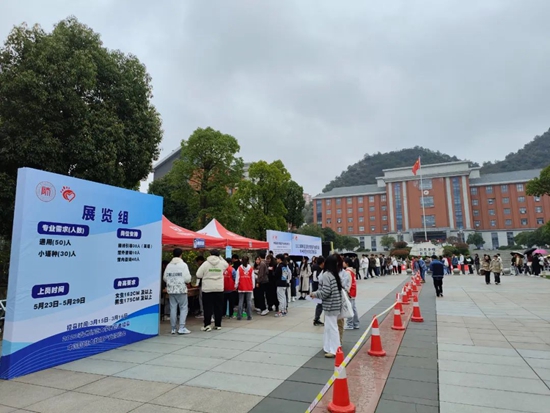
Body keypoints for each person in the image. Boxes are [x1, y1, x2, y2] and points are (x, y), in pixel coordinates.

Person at [311, 254, 343, 358]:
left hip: (330, 305)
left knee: (332, 328)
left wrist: (315, 294)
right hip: (335, 304)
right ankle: (329, 347)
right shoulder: (334, 274)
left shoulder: (326, 275)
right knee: (330, 327)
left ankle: (334, 350)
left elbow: (326, 291)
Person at [196, 249, 228, 331]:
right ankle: (218, 324)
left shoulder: (205, 264)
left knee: (207, 308)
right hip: (219, 288)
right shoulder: (221, 263)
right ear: (218, 255)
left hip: (207, 288)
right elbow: (227, 265)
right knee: (218, 307)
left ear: (210, 254)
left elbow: (198, 274)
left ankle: (207, 325)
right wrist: (220, 257)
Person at [163, 248, 192, 335]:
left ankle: (173, 328)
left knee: (173, 308)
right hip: (181, 289)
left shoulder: (169, 265)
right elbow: (187, 279)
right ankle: (181, 327)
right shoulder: (183, 265)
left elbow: (165, 278)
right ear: (181, 255)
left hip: (171, 290)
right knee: (183, 308)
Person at [343, 258, 359, 330]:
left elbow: (348, 283)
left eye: (343, 262)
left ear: (347, 263)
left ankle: (350, 324)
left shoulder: (347, 271)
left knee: (350, 308)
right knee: (353, 308)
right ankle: (356, 323)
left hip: (350, 292)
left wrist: (347, 290)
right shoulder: (352, 271)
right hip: (353, 291)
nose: (342, 263)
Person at [312, 256, 325, 326]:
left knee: (319, 305)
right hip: (321, 290)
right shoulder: (322, 270)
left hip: (319, 289)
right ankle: (316, 319)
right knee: (320, 305)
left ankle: (316, 319)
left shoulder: (318, 268)